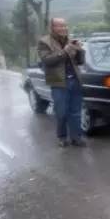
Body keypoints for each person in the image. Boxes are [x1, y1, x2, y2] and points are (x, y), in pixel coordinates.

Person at [37, 18, 87, 147]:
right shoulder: (44, 42)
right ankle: (62, 137)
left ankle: (76, 137)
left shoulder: (70, 41)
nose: (64, 28)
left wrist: (80, 50)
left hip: (75, 81)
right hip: (59, 82)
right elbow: (47, 61)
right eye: (60, 26)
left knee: (75, 112)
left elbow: (80, 62)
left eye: (65, 26)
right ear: (52, 28)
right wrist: (66, 50)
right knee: (61, 112)